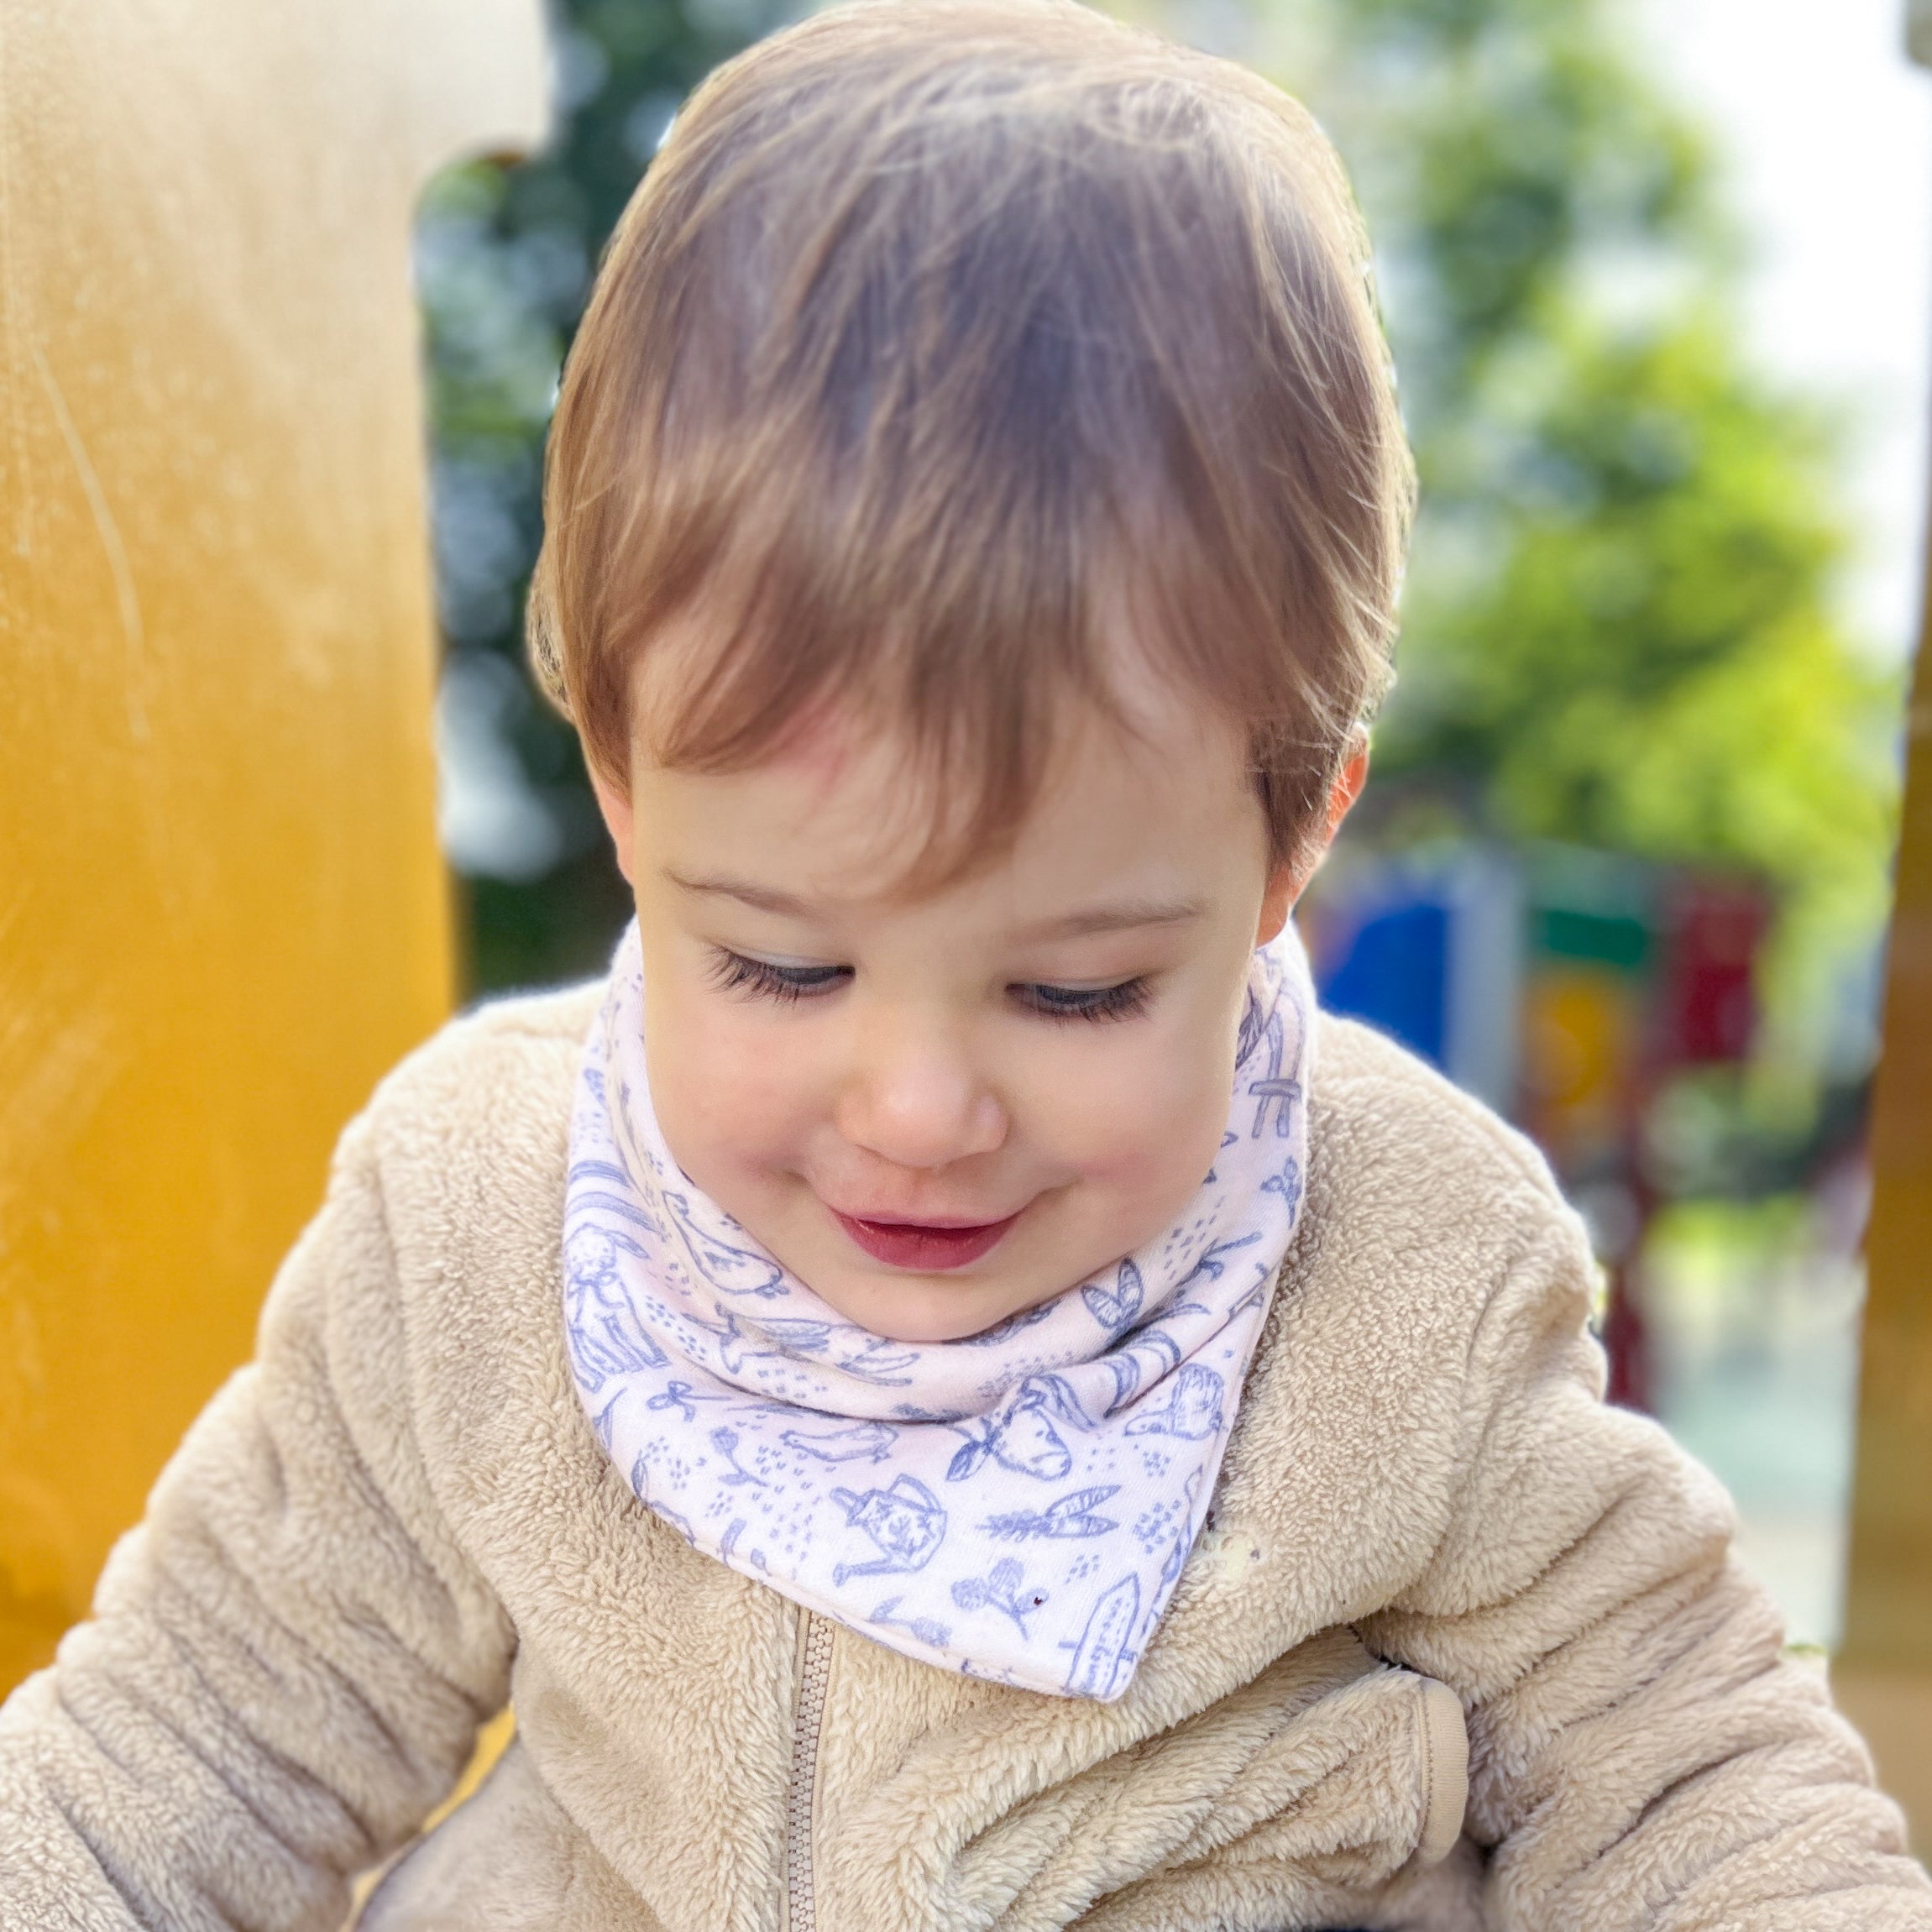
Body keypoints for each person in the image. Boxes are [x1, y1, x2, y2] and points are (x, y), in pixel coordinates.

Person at [2, 3, 1925, 1926]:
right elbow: (194, 1742)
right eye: (778, 964)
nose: (917, 1110)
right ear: (624, 792)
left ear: (1290, 843)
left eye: (1074, 991)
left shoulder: (1397, 1257)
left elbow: (1684, 1778)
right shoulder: (478, 1221)